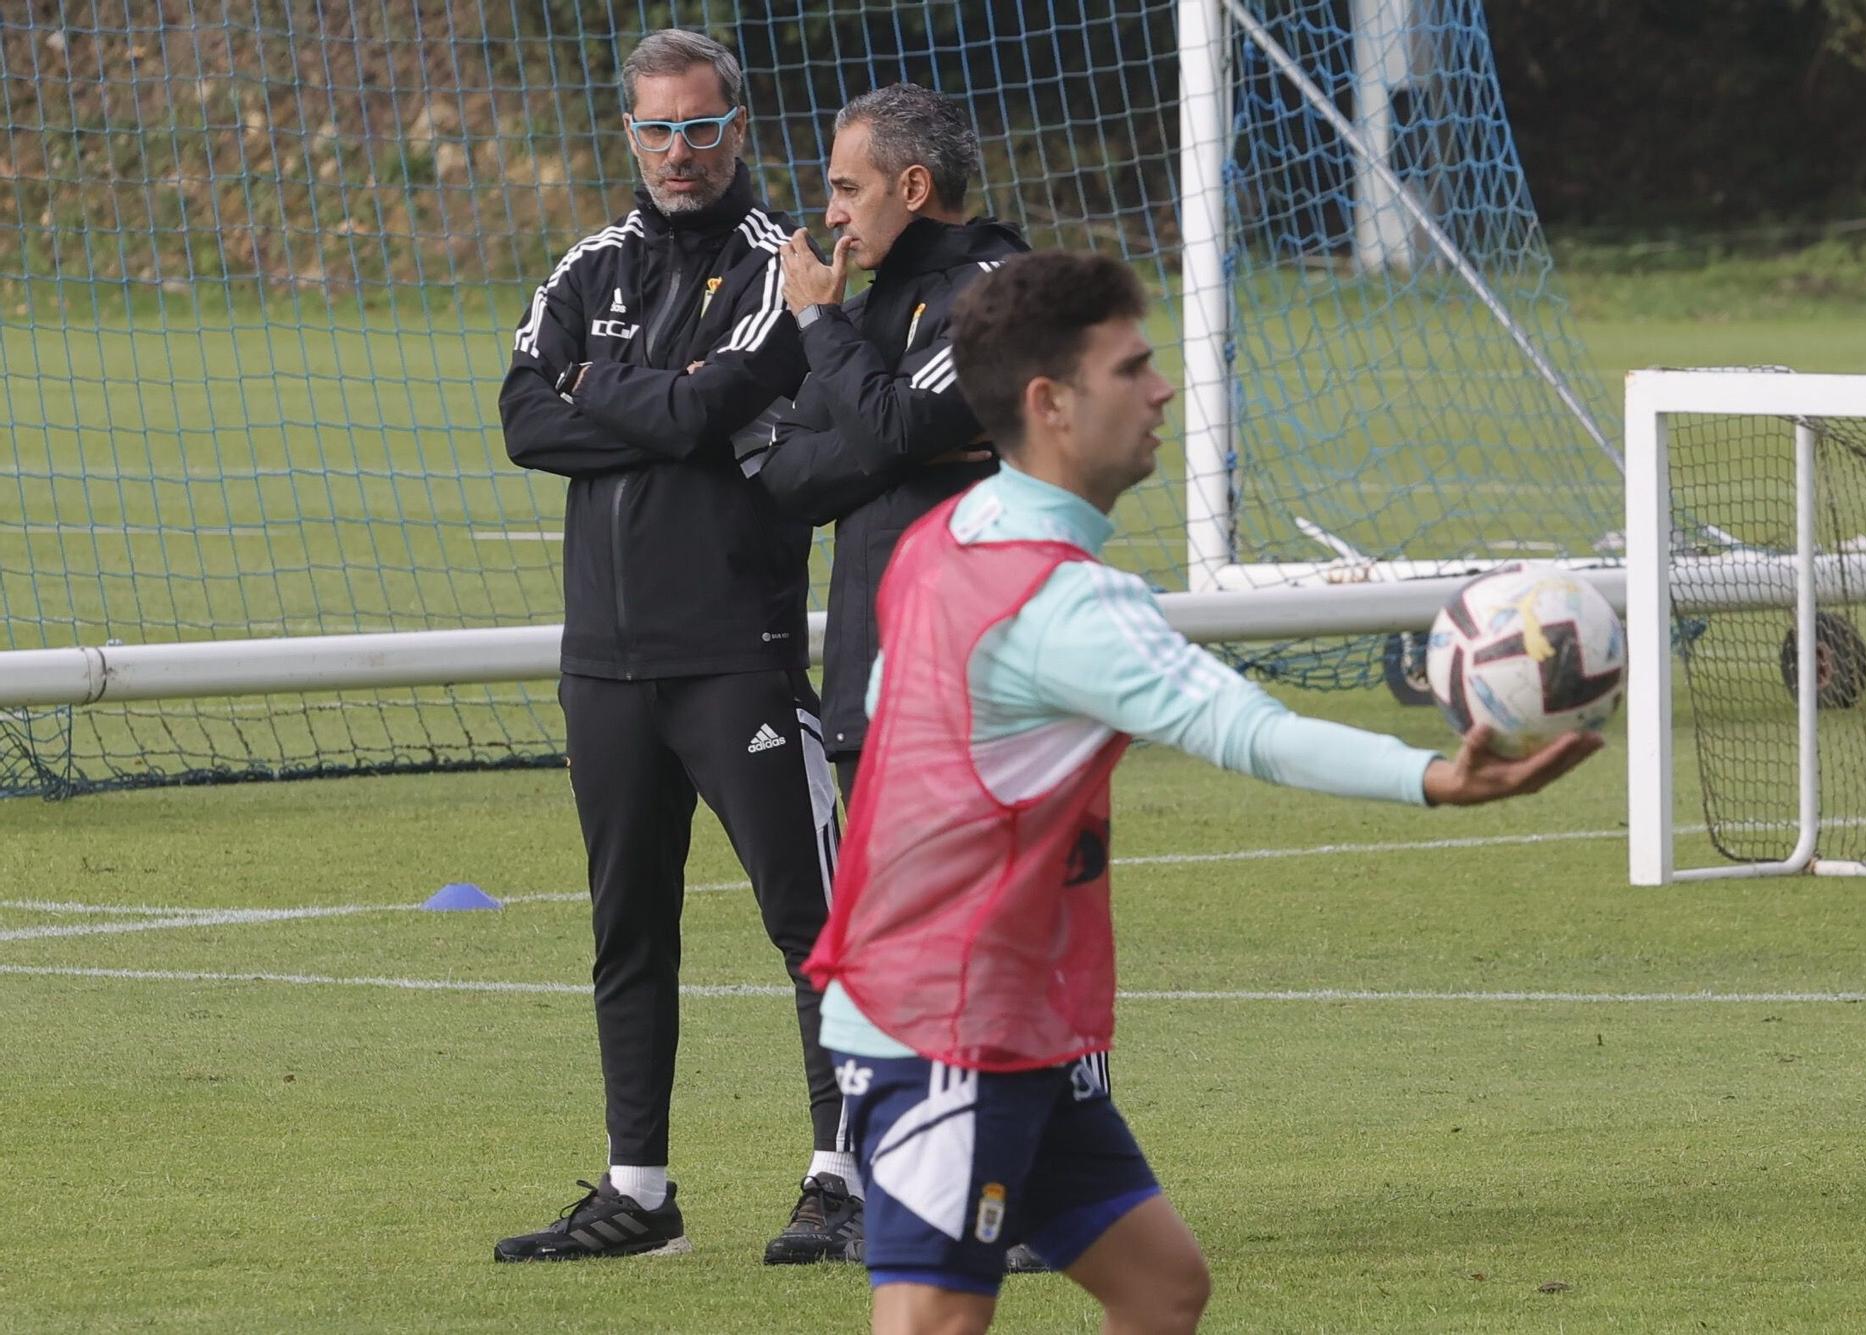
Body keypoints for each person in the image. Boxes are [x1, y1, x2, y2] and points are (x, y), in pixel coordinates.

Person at [803, 251, 1604, 1333]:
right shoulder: (1071, 608)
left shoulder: (935, 541)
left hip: (1006, 1011)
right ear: (1048, 404)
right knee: (932, 1323)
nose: (1162, 389)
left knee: (1160, 1287)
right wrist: (1429, 777)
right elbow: (1248, 733)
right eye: (1131, 368)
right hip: (949, 1021)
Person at [493, 28, 858, 1266]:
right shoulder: (585, 265)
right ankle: (638, 1193)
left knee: (810, 921)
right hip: (601, 664)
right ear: (630, 135)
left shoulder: (784, 263)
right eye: (657, 130)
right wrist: (667, 405)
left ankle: (843, 1174)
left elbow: (725, 397)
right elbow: (522, 422)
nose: (679, 152)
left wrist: (613, 397)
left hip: (734, 652)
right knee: (626, 928)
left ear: (739, 127)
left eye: (700, 127)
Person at [754, 83, 1031, 804]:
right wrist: (899, 442)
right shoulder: (860, 312)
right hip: (864, 685)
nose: (831, 214)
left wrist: (821, 329)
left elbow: (887, 429)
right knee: (886, 916)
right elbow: (784, 472)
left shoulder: (997, 296)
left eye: (848, 188)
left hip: (975, 686)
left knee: (981, 915)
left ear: (913, 186)